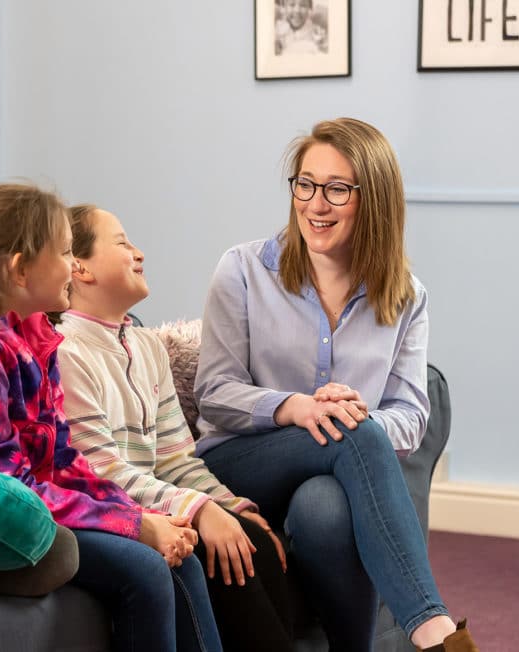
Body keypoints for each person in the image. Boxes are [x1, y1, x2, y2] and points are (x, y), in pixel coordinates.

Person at [194, 118, 479, 651]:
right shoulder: (242, 270)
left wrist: (355, 413)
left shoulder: (406, 296)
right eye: (305, 184)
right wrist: (296, 408)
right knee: (353, 431)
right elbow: (214, 391)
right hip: (238, 464)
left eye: (337, 189)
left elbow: (412, 416)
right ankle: (436, 632)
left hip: (336, 477)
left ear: (374, 200)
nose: (315, 204)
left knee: (324, 504)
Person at [0, 184, 223, 652]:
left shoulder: (37, 337)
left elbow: (66, 457)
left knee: (182, 557)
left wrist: (138, 514)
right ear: (20, 269)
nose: (74, 266)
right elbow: (7, 488)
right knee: (146, 566)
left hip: (43, 508)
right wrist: (135, 528)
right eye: (66, 253)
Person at [56, 204, 294, 651]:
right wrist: (200, 511)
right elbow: (101, 471)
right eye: (123, 243)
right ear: (78, 266)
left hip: (165, 503)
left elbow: (174, 460)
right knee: (215, 553)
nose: (139, 253)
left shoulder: (147, 347)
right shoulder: (66, 350)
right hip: (116, 510)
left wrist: (229, 505)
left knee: (256, 541)